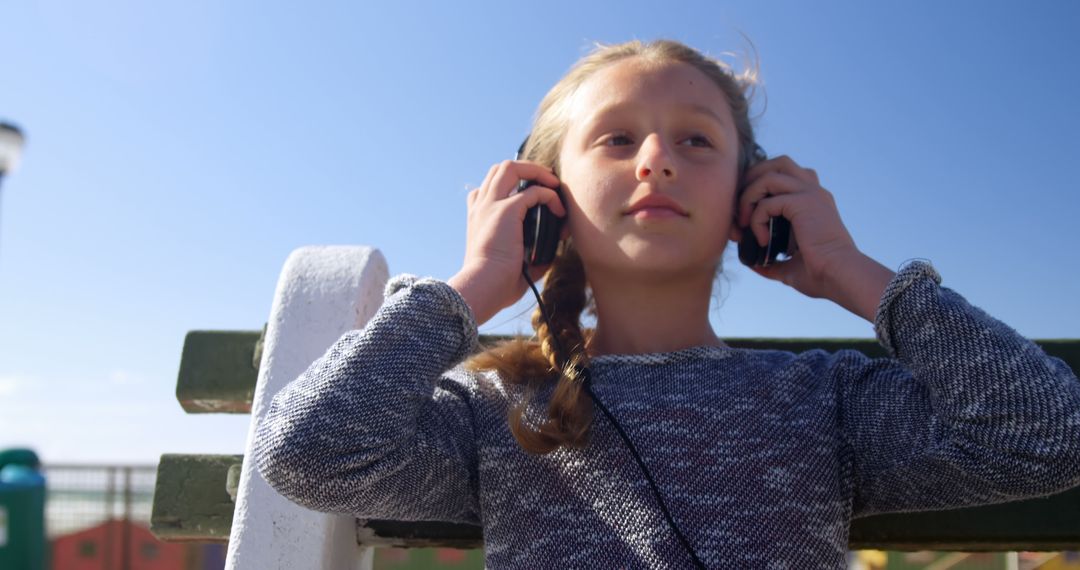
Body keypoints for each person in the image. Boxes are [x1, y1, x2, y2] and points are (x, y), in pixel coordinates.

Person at [253, 39, 1080, 568]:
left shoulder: (822, 402)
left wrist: (851, 272)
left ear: (749, 203)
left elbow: (1046, 435)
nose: (655, 160)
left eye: (696, 140)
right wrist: (471, 287)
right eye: (616, 138)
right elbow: (308, 453)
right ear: (545, 197)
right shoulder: (501, 410)